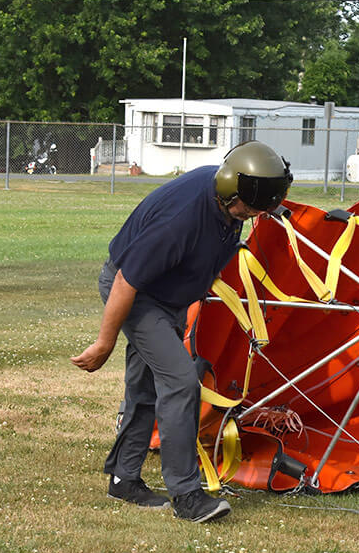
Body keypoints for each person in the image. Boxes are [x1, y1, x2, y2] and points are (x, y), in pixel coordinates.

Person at [71, 141, 293, 522]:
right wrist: (104, 343)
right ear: (232, 196)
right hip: (139, 296)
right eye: (253, 209)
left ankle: (124, 479)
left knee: (144, 389)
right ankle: (187, 496)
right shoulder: (181, 220)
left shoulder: (231, 193)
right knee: (179, 382)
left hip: (167, 299)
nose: (256, 215)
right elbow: (125, 281)